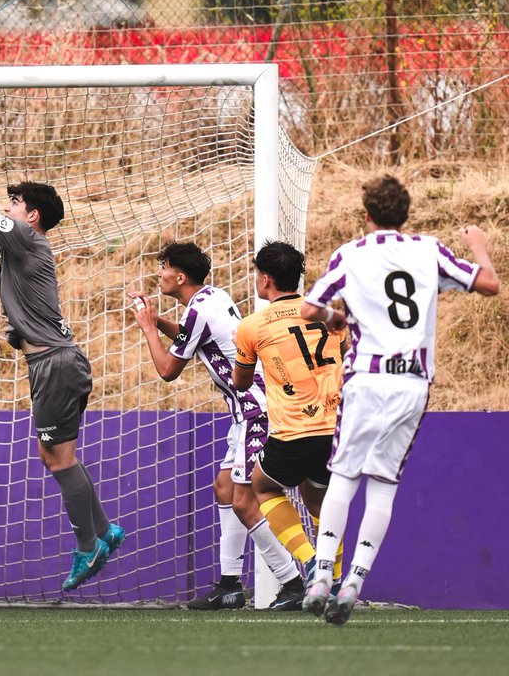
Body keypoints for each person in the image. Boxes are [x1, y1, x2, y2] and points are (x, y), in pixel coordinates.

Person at [0, 118, 125, 592]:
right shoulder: (14, 246)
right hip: (53, 362)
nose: (7, 208)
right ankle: (104, 530)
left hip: (54, 363)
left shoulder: (28, 238)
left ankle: (87, 544)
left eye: (14, 203)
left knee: (58, 458)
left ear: (30, 216)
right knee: (54, 454)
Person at [299, 175, 499, 624]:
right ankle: (355, 581)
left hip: (366, 378)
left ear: (366, 215)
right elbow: (488, 284)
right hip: (411, 384)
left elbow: (310, 310)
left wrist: (336, 317)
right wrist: (480, 244)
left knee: (344, 476)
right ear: (406, 214)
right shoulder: (428, 250)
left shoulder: (351, 254)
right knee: (383, 484)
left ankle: (320, 578)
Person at [130, 242, 304, 610]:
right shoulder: (211, 298)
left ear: (179, 276)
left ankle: (292, 581)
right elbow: (190, 334)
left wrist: (148, 328)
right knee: (225, 488)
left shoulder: (199, 312)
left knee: (244, 499)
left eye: (163, 267)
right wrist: (159, 321)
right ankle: (229, 585)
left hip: (256, 410)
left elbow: (167, 371)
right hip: (247, 411)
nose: (158, 272)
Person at [232, 241, 346, 597]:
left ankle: (311, 561)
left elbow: (241, 381)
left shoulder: (252, 325)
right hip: (335, 425)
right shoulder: (326, 314)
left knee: (261, 486)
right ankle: (337, 580)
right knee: (318, 500)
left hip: (294, 428)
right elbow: (339, 353)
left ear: (265, 279)